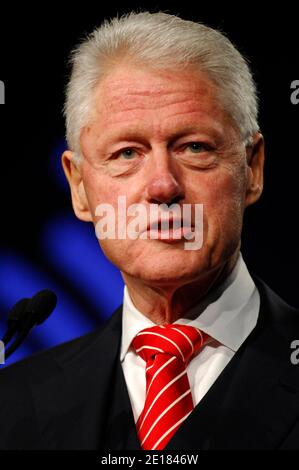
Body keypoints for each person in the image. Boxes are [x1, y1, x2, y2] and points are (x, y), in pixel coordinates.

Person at [0, 11, 298, 451]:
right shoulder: (13, 404)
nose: (163, 186)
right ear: (80, 188)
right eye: (126, 153)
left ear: (251, 169)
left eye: (194, 147)